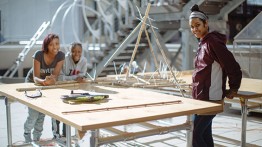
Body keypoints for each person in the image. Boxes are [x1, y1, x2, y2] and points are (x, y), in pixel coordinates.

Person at [188, 4, 242, 147]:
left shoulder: (213, 42)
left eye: (198, 25)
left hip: (211, 98)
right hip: (201, 97)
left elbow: (232, 66)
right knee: (204, 134)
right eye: (192, 26)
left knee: (193, 133)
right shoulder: (203, 43)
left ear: (206, 24)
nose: (194, 29)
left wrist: (234, 87)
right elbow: (204, 70)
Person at [24, 33, 65, 143]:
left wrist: (51, 80)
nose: (55, 47)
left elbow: (55, 75)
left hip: (47, 84)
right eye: (51, 44)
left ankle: (36, 138)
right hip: (33, 83)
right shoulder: (38, 55)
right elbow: (36, 77)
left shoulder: (61, 55)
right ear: (46, 45)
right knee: (34, 114)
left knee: (42, 114)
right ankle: (27, 134)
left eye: (57, 43)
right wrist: (44, 82)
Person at [52, 42, 88, 138]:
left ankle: (65, 135)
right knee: (57, 112)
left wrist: (74, 78)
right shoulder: (63, 60)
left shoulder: (84, 61)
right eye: (74, 51)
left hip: (74, 90)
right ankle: (55, 134)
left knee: (68, 112)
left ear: (82, 52)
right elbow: (59, 77)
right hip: (60, 89)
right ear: (70, 51)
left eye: (79, 51)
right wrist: (75, 78)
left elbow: (82, 76)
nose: (77, 54)